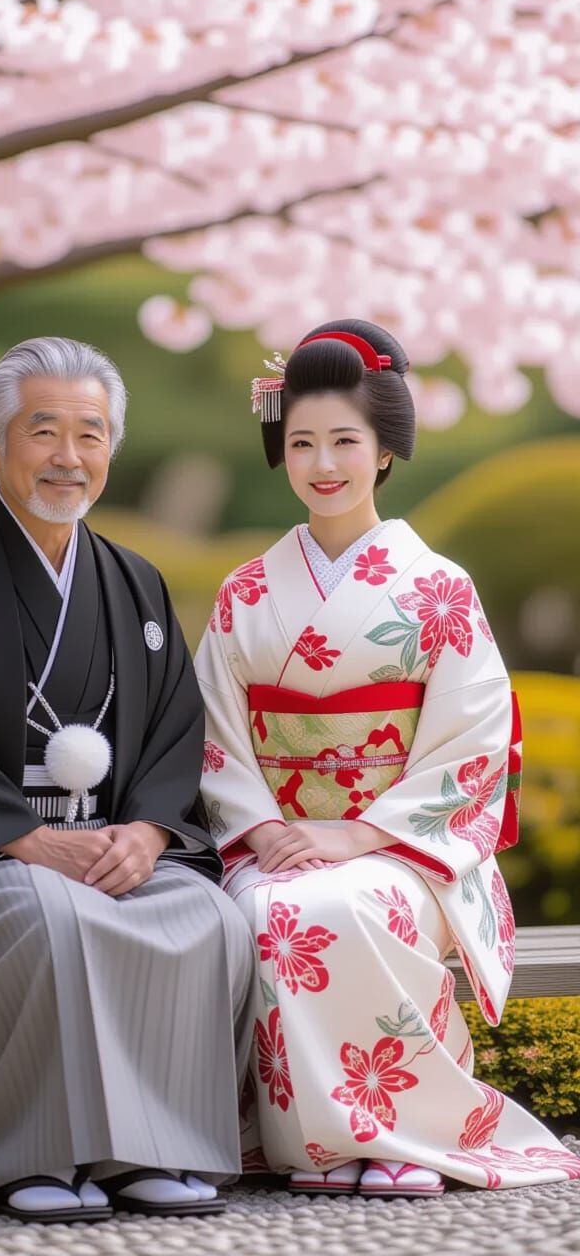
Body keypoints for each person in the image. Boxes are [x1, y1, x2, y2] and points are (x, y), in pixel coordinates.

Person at [0, 337, 255, 1223]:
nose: (69, 457)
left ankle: (152, 1148)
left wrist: (146, 833)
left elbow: (177, 728)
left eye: (91, 434)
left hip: (108, 843)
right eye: (44, 431)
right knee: (47, 912)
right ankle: (18, 1154)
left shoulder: (135, 583)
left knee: (206, 914)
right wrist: (25, 839)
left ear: (112, 450)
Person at [195, 320, 580, 1196]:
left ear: (383, 452)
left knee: (346, 903)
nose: (321, 462)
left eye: (343, 441)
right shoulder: (246, 591)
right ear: (279, 452)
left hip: (404, 849)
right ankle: (320, 1144)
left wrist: (361, 834)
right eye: (300, 442)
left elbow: (472, 736)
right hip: (276, 841)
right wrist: (261, 829)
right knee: (269, 913)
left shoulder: (437, 586)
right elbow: (214, 733)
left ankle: (405, 1132)